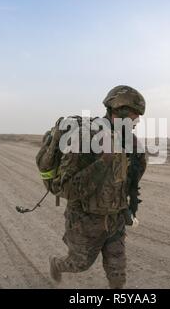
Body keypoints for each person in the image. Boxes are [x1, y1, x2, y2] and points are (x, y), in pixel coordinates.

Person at [49, 85, 147, 289]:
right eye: (132, 118)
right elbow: (65, 189)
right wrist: (103, 162)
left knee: (118, 275)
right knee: (79, 264)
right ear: (116, 112)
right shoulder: (85, 138)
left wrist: (129, 209)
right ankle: (56, 264)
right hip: (85, 221)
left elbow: (129, 183)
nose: (135, 123)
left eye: (137, 119)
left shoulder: (131, 143)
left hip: (115, 220)